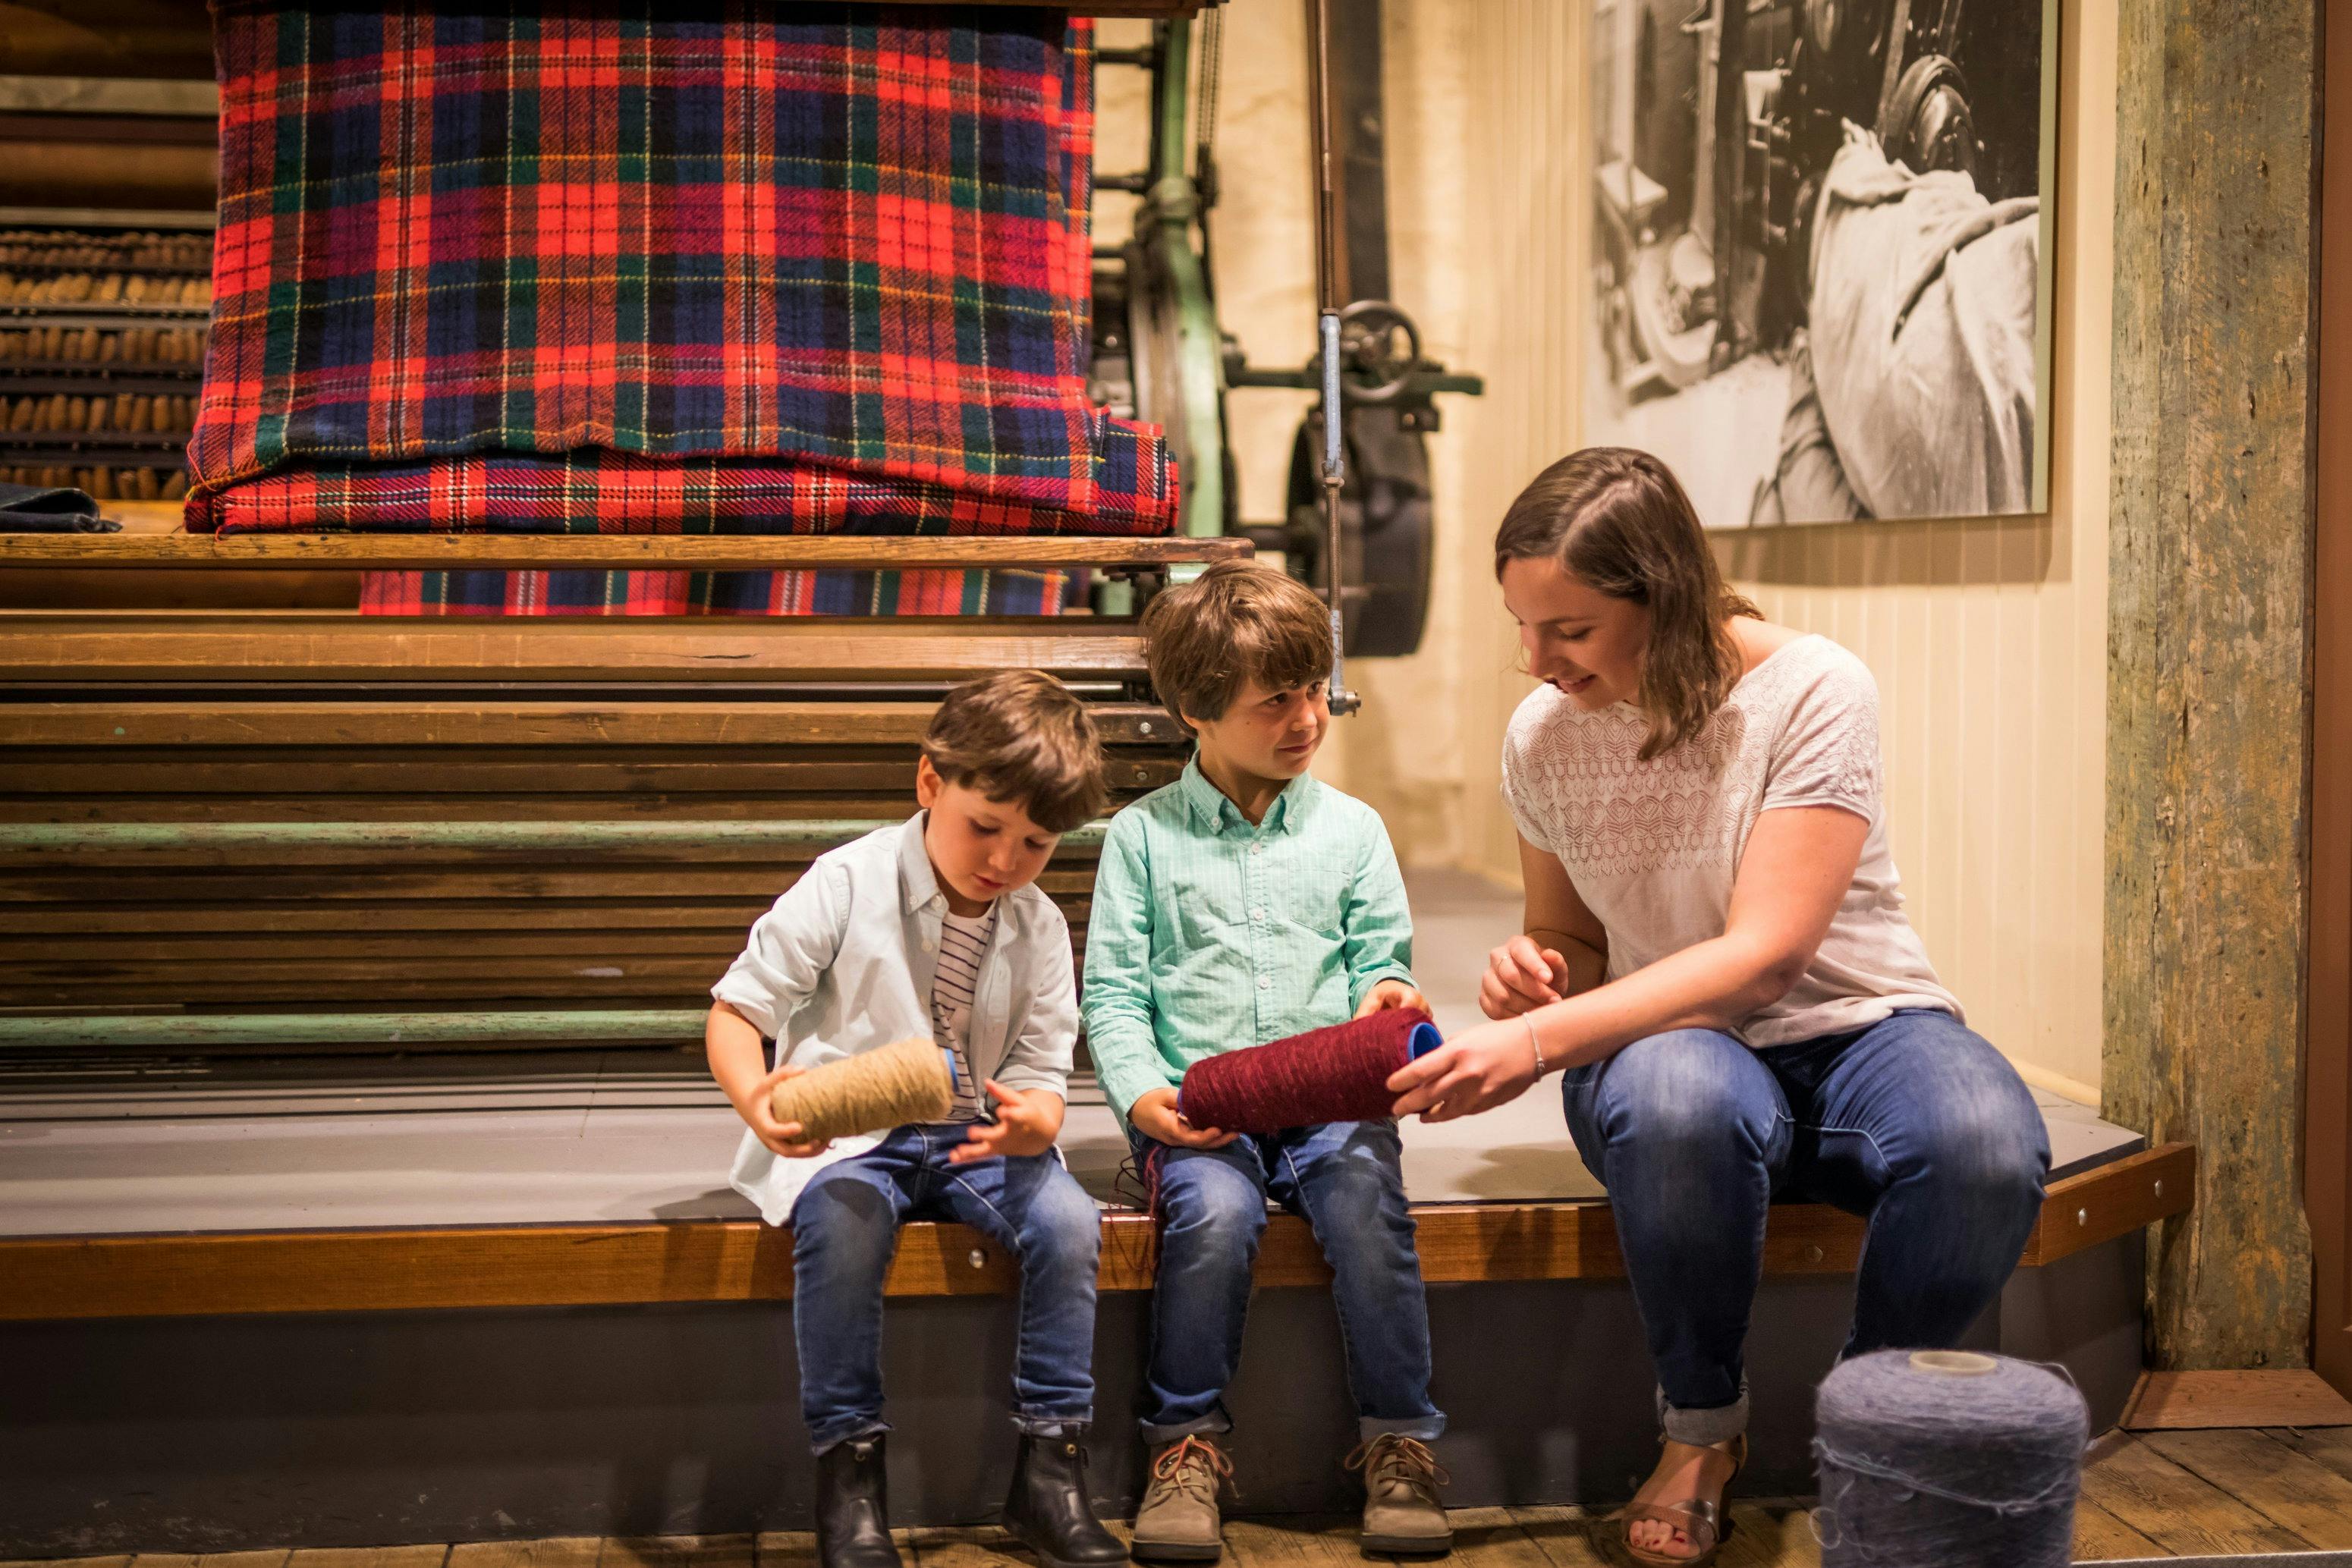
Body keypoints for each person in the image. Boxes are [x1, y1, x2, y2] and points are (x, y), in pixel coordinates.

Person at [1388, 448, 2050, 1567]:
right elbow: (1575, 937)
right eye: (1523, 623)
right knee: (1686, 1093)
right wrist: (1535, 970)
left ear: (1667, 594)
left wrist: (1536, 1038)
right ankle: (1700, 1429)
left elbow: (1766, 957)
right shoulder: (1542, 734)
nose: (1535, 660)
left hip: (1861, 1030)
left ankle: (1873, 1439)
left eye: (1570, 629)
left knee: (1987, 1143)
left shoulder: (1814, 687)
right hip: (1673, 1054)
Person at [706, 671, 1127, 1568]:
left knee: (1067, 1220)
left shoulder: (1039, 927)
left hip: (976, 1139)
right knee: (842, 1222)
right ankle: (849, 1477)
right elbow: (738, 1013)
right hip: (857, 1136)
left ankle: (1049, 1471)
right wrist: (759, 1102)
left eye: (1036, 843)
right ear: (930, 783)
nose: (1006, 860)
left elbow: (1044, 1072)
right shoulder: (846, 882)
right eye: (986, 826)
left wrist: (1034, 1122)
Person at [1084, 562, 1453, 1563]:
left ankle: (1400, 1440)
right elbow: (1114, 998)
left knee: (1368, 1207)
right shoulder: (1141, 839)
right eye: (1273, 700)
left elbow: (1384, 964)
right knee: (1211, 1215)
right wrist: (1144, 1095)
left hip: (1332, 1104)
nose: (1304, 717)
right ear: (1195, 710)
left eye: (1312, 689)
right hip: (1201, 1110)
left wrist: (1392, 995)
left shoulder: (1354, 831)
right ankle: (1186, 1442)